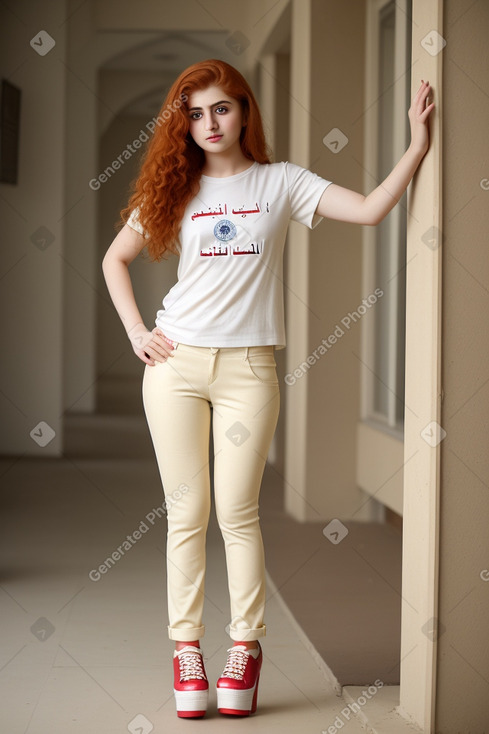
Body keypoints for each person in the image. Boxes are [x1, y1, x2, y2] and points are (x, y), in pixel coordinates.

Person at [102, 58, 434, 719]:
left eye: (220, 108)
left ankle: (244, 650)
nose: (208, 124)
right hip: (174, 369)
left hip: (248, 370)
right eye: (193, 114)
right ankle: (185, 649)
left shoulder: (281, 183)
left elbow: (368, 211)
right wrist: (138, 330)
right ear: (182, 125)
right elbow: (116, 257)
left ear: (244, 111)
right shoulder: (175, 186)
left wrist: (417, 145)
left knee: (236, 512)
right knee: (185, 513)